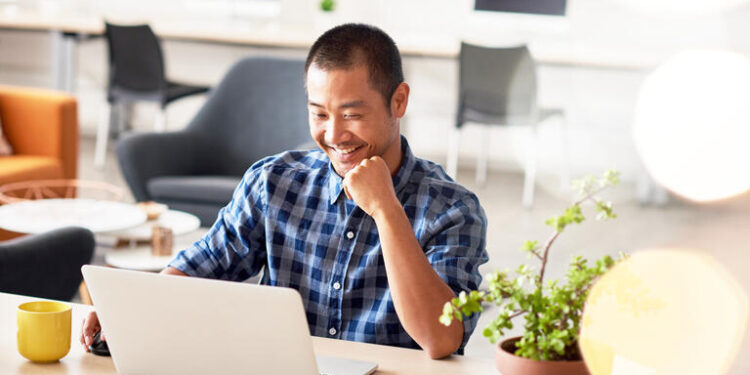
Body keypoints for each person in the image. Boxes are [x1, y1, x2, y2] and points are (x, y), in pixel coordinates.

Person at [81, 23, 488, 359]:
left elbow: (441, 338)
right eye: (319, 113)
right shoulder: (274, 182)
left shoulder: (453, 210)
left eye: (353, 115)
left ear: (398, 101)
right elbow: (204, 264)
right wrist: (130, 307)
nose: (333, 134)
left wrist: (386, 210)